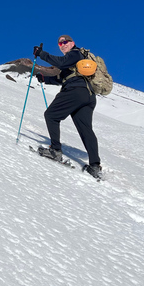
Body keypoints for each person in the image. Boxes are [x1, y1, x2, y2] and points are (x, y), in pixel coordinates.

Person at [33, 35, 102, 179]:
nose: (62, 45)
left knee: (51, 115)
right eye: (60, 43)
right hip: (88, 95)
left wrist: (41, 54)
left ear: (72, 43)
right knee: (85, 129)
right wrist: (45, 79)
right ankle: (95, 166)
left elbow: (61, 62)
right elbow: (62, 78)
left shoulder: (75, 53)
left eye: (65, 42)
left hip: (75, 91)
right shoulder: (77, 62)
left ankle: (55, 151)